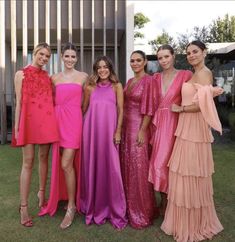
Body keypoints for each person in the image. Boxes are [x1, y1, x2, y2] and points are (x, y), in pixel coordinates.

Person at [161, 40, 224, 242]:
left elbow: (202, 104)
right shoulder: (192, 74)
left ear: (204, 52)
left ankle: (194, 224)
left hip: (195, 127)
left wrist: (181, 109)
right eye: (188, 53)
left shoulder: (205, 73)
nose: (191, 55)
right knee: (181, 172)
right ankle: (182, 221)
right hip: (185, 127)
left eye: (195, 51)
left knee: (191, 172)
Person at [39, 43, 88, 229]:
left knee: (66, 163)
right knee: (60, 163)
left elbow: (86, 102)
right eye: (66, 56)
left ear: (77, 58)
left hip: (74, 121)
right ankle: (59, 197)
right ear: (61, 57)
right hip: (56, 123)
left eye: (73, 57)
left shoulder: (83, 77)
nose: (70, 60)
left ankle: (71, 206)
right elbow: (48, 101)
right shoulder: (54, 78)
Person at [13, 42, 59, 227]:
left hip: (46, 122)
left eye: (47, 56)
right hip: (28, 122)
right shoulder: (21, 74)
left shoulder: (48, 77)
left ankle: (41, 193)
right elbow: (19, 103)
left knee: (43, 158)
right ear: (35, 53)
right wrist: (17, 128)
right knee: (28, 162)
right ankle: (23, 207)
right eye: (41, 54)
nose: (44, 58)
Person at [80, 56, 127, 229]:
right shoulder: (90, 87)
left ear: (110, 68)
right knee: (92, 167)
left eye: (105, 67)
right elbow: (83, 109)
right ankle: (92, 206)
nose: (102, 70)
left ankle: (113, 208)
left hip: (110, 133)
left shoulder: (117, 86)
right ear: (95, 69)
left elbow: (121, 109)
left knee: (112, 168)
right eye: (99, 67)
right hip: (91, 132)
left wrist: (118, 131)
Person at [147, 45, 192, 215]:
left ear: (173, 56)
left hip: (177, 122)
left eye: (166, 56)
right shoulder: (155, 78)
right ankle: (164, 203)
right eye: (160, 58)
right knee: (159, 164)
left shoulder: (185, 75)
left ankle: (174, 205)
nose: (164, 60)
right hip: (158, 124)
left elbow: (195, 96)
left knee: (175, 165)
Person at [120, 50, 156, 229]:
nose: (134, 63)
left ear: (145, 62)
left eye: (138, 60)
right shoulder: (129, 81)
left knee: (138, 168)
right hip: (126, 128)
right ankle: (128, 207)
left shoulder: (149, 80)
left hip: (138, 128)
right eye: (132, 60)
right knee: (127, 167)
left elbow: (150, 108)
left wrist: (142, 130)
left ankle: (142, 211)